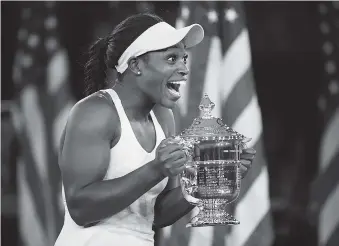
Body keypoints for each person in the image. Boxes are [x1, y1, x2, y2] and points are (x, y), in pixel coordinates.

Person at [54, 13, 256, 246]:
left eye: (184, 59)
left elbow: (157, 213)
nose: (184, 69)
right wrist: (156, 169)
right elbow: (81, 209)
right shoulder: (95, 112)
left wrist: (213, 179)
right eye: (171, 59)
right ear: (136, 65)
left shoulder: (163, 117)